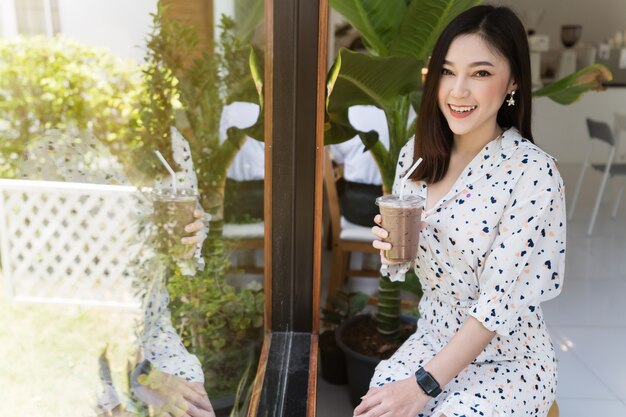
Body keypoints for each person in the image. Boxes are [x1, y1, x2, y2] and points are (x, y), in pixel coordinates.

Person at [360, 5, 566, 417]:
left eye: (481, 73)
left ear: (513, 83)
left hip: (510, 361)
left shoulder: (532, 173)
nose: (458, 90)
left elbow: (498, 304)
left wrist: (422, 386)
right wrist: (389, 244)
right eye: (448, 71)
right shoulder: (415, 158)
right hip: (432, 339)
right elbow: (407, 262)